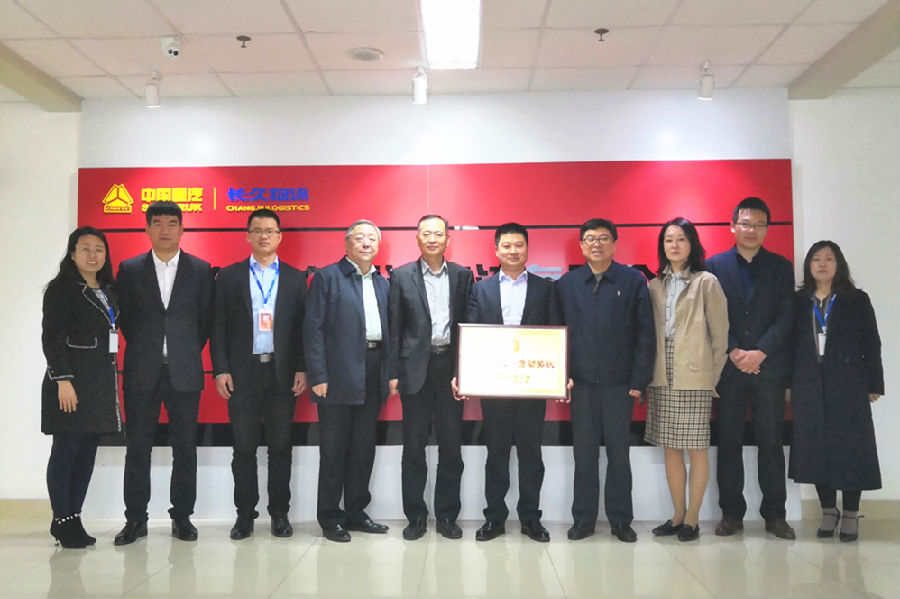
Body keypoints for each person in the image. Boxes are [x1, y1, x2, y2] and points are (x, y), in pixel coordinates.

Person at [113, 201, 213, 546]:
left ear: (182, 229)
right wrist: (150, 348)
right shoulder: (129, 270)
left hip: (185, 371)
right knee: (137, 448)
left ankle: (182, 517)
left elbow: (205, 322)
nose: (165, 229)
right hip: (142, 370)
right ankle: (135, 519)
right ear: (147, 229)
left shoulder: (201, 270)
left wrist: (182, 349)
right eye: (157, 223)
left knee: (185, 449)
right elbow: (125, 320)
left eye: (172, 223)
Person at [455, 222, 557, 543]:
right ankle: (494, 518)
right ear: (496, 250)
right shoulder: (481, 289)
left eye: (519, 245)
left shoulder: (545, 289)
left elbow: (555, 337)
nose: (513, 251)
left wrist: (559, 375)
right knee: (496, 454)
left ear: (527, 248)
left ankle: (531, 519)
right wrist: (463, 374)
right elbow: (470, 333)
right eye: (507, 246)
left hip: (532, 386)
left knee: (531, 455)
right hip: (494, 387)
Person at [555, 218, 655, 543]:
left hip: (619, 385)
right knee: (584, 455)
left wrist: (639, 379)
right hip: (580, 384)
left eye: (602, 238)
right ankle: (583, 520)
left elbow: (645, 334)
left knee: (618, 454)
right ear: (581, 245)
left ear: (614, 243)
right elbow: (557, 336)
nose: (596, 244)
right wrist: (561, 378)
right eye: (589, 239)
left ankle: (621, 520)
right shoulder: (567, 284)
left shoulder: (633, 280)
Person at [211, 209, 308, 540]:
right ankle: (245, 515)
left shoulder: (296, 278)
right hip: (242, 372)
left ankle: (280, 513)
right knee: (244, 447)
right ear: (248, 236)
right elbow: (217, 327)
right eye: (257, 230)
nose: (264, 236)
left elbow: (302, 329)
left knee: (280, 446)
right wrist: (221, 369)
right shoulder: (229, 277)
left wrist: (302, 367)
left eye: (270, 231)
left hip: (282, 372)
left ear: (280, 236)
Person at [706, 196, 796, 539]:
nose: (752, 230)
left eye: (760, 225)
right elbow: (710, 315)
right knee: (728, 441)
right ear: (733, 226)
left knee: (770, 442)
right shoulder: (714, 266)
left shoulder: (781, 267)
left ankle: (775, 515)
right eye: (746, 224)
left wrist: (760, 352)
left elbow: (786, 316)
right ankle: (731, 514)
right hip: (728, 370)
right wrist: (733, 350)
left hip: (768, 369)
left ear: (767, 229)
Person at [303, 219, 392, 542]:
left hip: (373, 369)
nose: (366, 243)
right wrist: (318, 375)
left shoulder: (383, 283)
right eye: (360, 237)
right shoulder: (327, 277)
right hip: (337, 373)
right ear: (346, 244)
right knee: (334, 449)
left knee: (363, 448)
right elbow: (313, 328)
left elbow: (392, 333)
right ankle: (330, 517)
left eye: (372, 238)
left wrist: (389, 374)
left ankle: (356, 512)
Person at [789, 240, 883, 542]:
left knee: (851, 448)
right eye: (816, 259)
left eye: (828, 259)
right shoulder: (799, 301)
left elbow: (871, 343)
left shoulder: (856, 299)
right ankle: (828, 510)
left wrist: (874, 384)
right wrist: (790, 384)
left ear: (838, 264)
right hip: (809, 384)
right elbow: (790, 346)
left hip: (848, 384)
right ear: (809, 266)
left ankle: (851, 513)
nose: (822, 264)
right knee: (816, 448)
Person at [388, 215, 473, 541]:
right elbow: (395, 327)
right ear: (418, 239)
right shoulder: (401, 276)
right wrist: (393, 372)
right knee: (414, 448)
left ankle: (447, 516)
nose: (433, 239)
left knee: (451, 447)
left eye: (439, 234)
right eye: (427, 234)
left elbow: (470, 324)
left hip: (450, 370)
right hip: (414, 371)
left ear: (448, 239)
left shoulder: (463, 276)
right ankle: (416, 517)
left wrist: (466, 371)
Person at [645, 218, 728, 542]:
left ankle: (692, 519)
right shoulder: (655, 285)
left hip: (695, 373)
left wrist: (711, 377)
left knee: (696, 448)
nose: (675, 245)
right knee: (670, 447)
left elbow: (720, 337)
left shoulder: (707, 282)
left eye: (681, 239)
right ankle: (677, 515)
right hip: (662, 373)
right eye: (669, 240)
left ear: (692, 244)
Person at [41, 227, 121, 548]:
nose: (92, 255)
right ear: (72, 254)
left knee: (86, 453)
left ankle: (73, 517)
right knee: (66, 451)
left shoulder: (108, 290)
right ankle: (61, 518)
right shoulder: (61, 289)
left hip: (99, 384)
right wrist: (63, 380)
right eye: (85, 248)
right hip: (71, 384)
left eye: (99, 249)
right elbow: (52, 337)